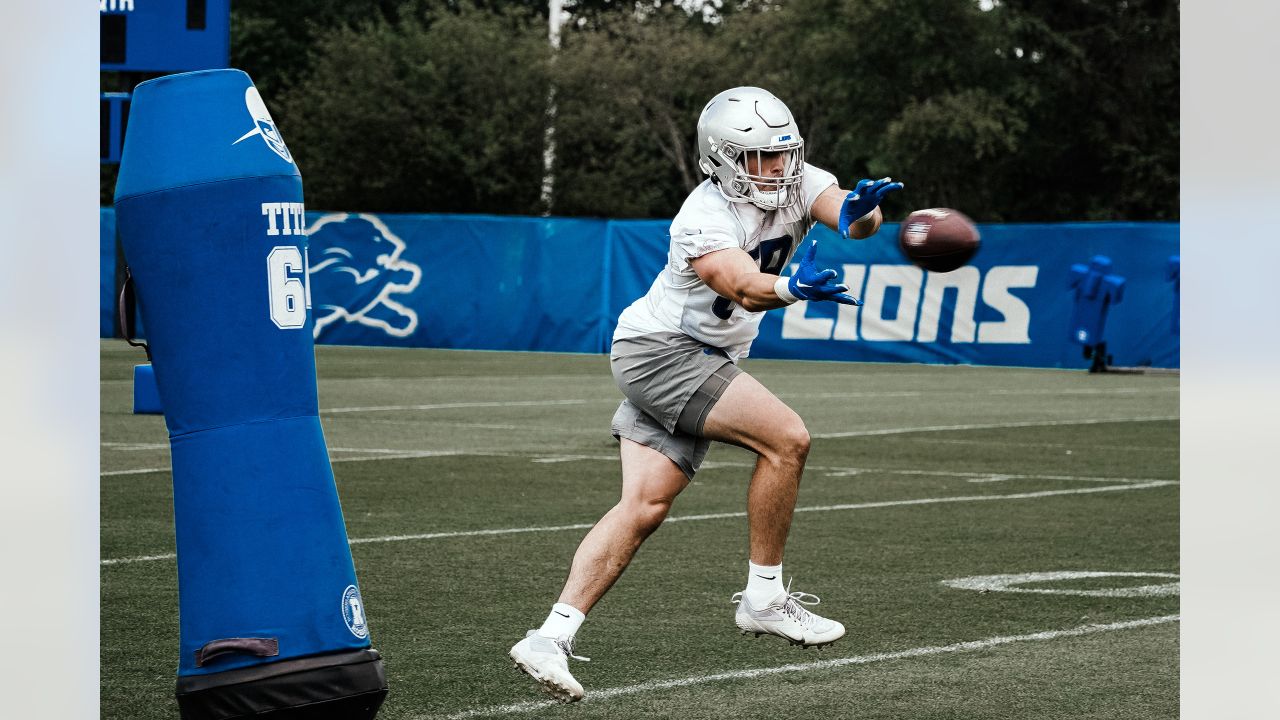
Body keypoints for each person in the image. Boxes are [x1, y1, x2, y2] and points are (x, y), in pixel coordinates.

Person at [508, 86, 903, 702]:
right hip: (663, 351)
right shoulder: (702, 214)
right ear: (721, 159)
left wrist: (864, 208)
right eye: (761, 158)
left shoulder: (796, 180)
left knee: (643, 507)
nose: (778, 169)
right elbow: (743, 287)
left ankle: (548, 637)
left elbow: (850, 220)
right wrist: (792, 288)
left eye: (785, 155)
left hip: (692, 355)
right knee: (786, 440)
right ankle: (765, 596)